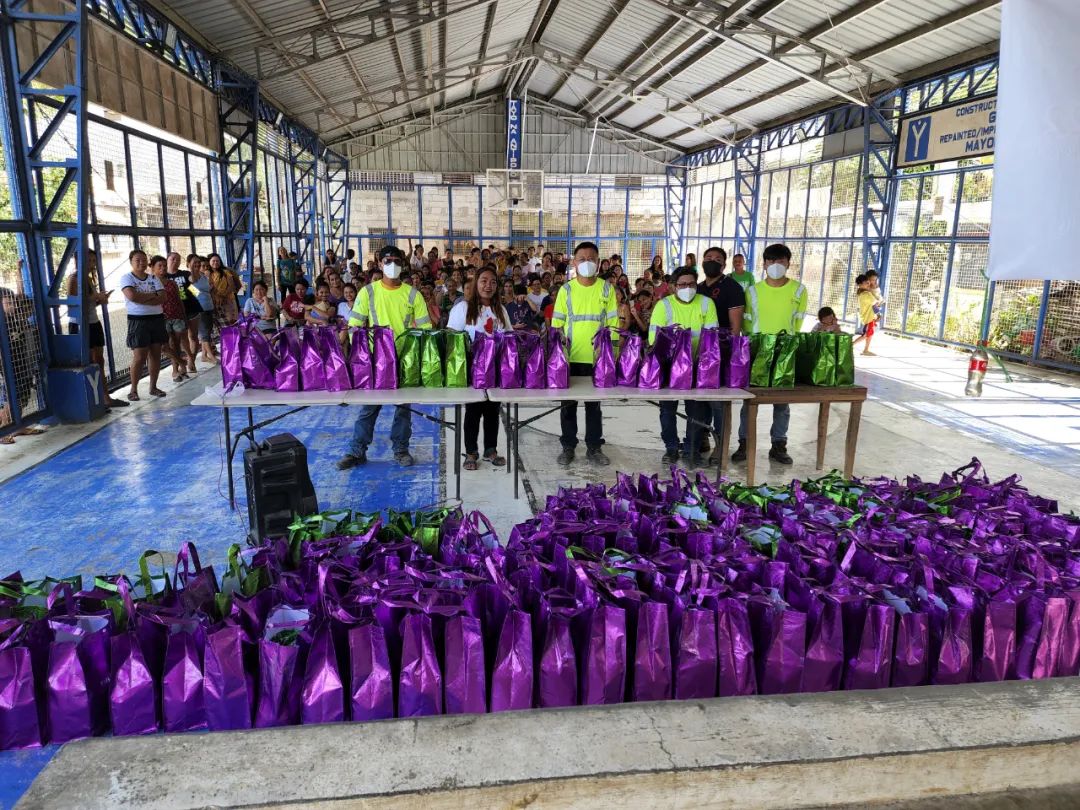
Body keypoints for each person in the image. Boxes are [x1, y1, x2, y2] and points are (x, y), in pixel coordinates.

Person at [339, 245, 431, 469]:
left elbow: (425, 330)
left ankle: (401, 449)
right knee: (369, 407)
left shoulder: (413, 294)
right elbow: (354, 327)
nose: (393, 265)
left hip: (404, 360)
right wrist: (362, 358)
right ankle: (356, 451)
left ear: (403, 264)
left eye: (397, 261)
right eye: (388, 261)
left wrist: (415, 357)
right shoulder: (367, 292)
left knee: (403, 409)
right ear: (380, 264)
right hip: (375, 361)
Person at [734, 243, 807, 466]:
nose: (776, 265)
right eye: (771, 261)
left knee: (782, 402)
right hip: (757, 351)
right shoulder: (752, 291)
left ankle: (778, 445)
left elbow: (798, 322)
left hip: (785, 350)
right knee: (750, 401)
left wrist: (787, 344)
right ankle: (744, 444)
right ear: (764, 264)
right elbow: (747, 322)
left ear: (788, 263)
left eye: (781, 261)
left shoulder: (799, 290)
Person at [552, 241, 619, 466]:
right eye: (582, 259)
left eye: (591, 259)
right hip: (570, 358)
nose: (587, 263)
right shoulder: (566, 290)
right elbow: (557, 325)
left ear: (598, 263)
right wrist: (559, 354)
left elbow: (613, 324)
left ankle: (594, 447)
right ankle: (568, 446)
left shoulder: (607, 289)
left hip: (597, 359)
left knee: (594, 407)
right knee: (567, 406)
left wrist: (611, 353)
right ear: (574, 262)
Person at [648, 266, 719, 467]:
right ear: (673, 286)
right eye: (682, 285)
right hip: (669, 367)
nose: (687, 288)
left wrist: (697, 361)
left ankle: (691, 450)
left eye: (691, 284)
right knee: (667, 410)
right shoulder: (664, 306)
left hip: (698, 367)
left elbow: (711, 337)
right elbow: (654, 339)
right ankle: (671, 448)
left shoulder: (706, 303)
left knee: (697, 411)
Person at [447, 266, 509, 471]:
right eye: (483, 281)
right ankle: (471, 452)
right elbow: (451, 337)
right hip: (472, 369)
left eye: (493, 282)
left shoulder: (501, 310)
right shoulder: (463, 308)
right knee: (473, 411)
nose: (488, 285)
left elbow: (508, 337)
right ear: (476, 284)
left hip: (495, 369)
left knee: (493, 411)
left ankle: (491, 450)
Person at [696, 246, 747, 463]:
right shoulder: (698, 288)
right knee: (701, 399)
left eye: (717, 259)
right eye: (708, 258)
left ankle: (721, 444)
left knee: (719, 402)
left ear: (724, 265)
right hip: (701, 351)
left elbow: (735, 327)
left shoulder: (731, 288)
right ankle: (703, 436)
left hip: (722, 352)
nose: (712, 261)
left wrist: (729, 354)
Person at [65, 249, 127, 408]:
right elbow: (74, 302)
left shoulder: (88, 278)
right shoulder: (73, 278)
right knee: (88, 361)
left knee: (99, 360)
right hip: (80, 323)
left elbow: (90, 303)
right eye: (89, 260)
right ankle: (92, 400)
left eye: (93, 261)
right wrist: (96, 296)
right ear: (78, 260)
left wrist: (100, 299)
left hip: (93, 321)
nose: (92, 264)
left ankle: (105, 397)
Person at [120, 249, 167, 401]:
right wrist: (153, 296)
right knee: (139, 356)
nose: (141, 263)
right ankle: (133, 390)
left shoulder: (154, 278)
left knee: (155, 354)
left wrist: (143, 298)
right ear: (131, 262)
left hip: (157, 319)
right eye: (137, 260)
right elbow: (132, 296)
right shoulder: (127, 278)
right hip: (138, 320)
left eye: (144, 260)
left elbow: (162, 298)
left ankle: (153, 387)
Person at [152, 255, 188, 382]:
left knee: (176, 343)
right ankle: (180, 365)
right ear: (153, 267)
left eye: (164, 266)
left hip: (176, 316)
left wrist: (184, 315)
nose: (163, 268)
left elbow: (180, 299)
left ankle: (177, 369)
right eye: (159, 266)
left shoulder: (174, 281)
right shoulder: (151, 283)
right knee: (167, 345)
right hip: (161, 318)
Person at [190, 257, 216, 364]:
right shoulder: (191, 277)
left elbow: (209, 289)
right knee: (204, 333)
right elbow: (192, 291)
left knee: (208, 331)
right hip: (200, 308)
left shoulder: (204, 277)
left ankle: (204, 355)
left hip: (209, 306)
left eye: (206, 266)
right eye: (202, 266)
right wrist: (201, 294)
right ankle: (211, 356)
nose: (205, 268)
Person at [853, 274, 877, 356]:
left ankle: (866, 350)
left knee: (870, 334)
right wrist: (873, 290)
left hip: (869, 317)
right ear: (860, 285)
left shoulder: (863, 293)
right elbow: (876, 302)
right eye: (865, 283)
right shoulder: (866, 294)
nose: (868, 283)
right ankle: (851, 345)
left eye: (868, 282)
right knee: (866, 335)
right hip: (868, 317)